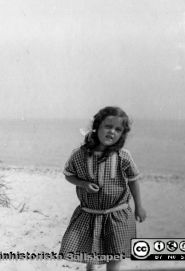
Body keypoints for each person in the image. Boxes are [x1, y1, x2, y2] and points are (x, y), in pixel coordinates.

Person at [59, 106, 147, 271]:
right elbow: (68, 175)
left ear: (122, 134)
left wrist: (139, 207)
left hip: (118, 214)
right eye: (108, 126)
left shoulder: (123, 156)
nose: (112, 131)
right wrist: (83, 184)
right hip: (89, 213)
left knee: (114, 253)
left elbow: (133, 181)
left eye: (118, 129)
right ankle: (91, 267)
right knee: (90, 250)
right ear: (96, 127)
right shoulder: (79, 155)